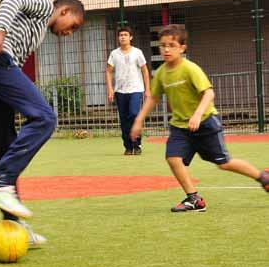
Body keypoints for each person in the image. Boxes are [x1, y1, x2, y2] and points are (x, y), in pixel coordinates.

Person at [0, 0, 85, 246]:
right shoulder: (45, 7)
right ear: (64, 11)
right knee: (45, 118)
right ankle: (2, 182)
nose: (70, 33)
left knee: (4, 143)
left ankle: (14, 224)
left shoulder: (38, 31)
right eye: (73, 26)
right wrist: (0, 30)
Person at [130, 24, 269, 212]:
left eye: (171, 45)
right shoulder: (162, 72)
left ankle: (263, 178)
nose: (166, 49)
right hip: (180, 127)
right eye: (163, 46)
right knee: (173, 158)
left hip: (205, 123)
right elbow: (153, 98)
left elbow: (209, 94)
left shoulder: (190, 69)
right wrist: (139, 121)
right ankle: (193, 198)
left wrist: (196, 115)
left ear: (182, 48)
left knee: (224, 163)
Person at [106, 26, 150, 155]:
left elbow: (144, 70)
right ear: (118, 38)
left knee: (133, 114)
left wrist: (147, 89)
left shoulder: (137, 52)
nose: (123, 37)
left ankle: (137, 144)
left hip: (136, 89)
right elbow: (108, 71)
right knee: (124, 119)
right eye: (121, 35)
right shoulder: (114, 54)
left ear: (131, 37)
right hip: (120, 91)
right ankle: (128, 146)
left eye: (125, 35)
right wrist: (110, 89)